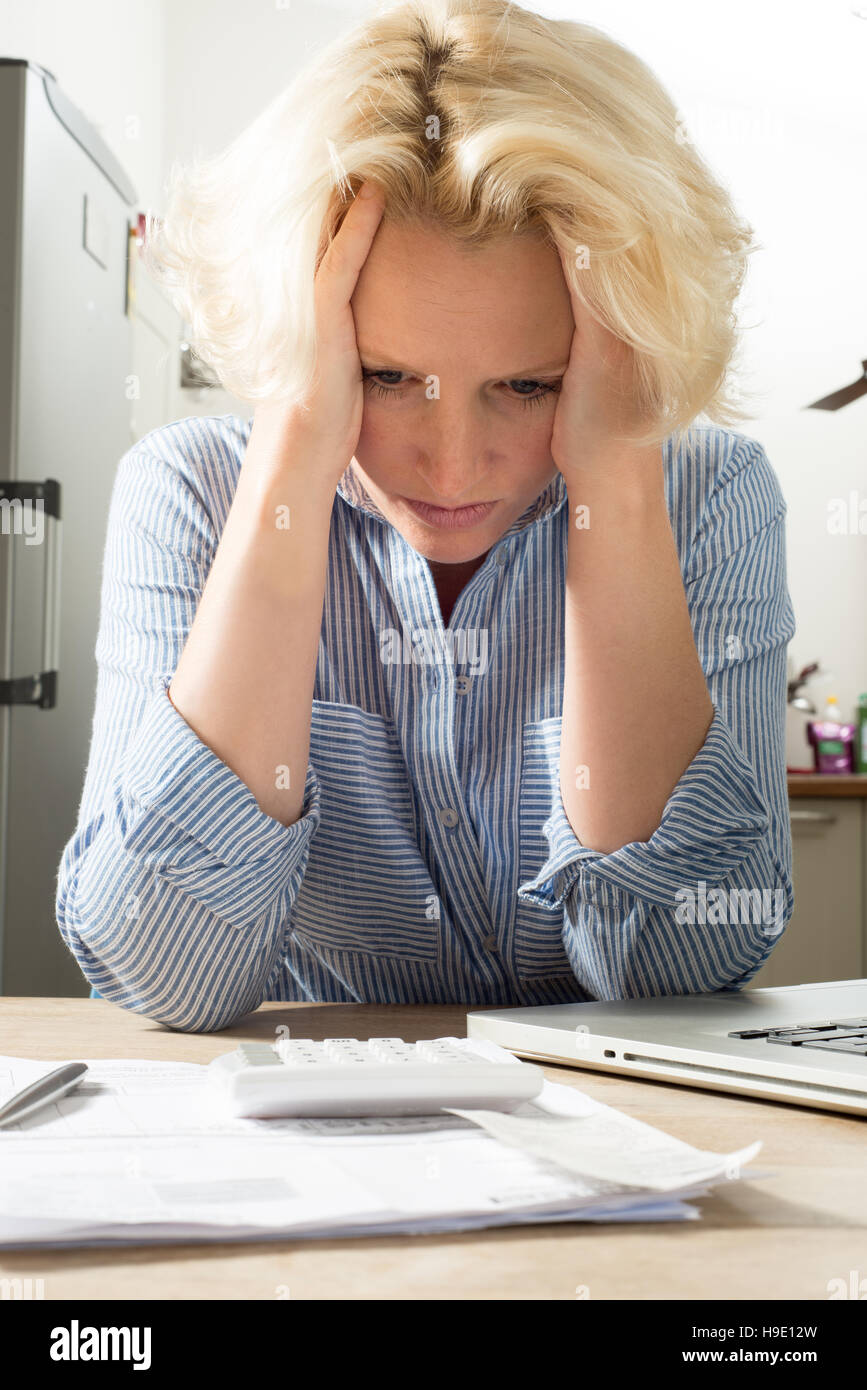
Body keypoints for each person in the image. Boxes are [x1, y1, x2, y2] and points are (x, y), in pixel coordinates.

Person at [56, 0, 796, 1031]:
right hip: (291, 1173)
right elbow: (158, 971)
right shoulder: (189, 493)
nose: (453, 466)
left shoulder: (709, 499)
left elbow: (681, 959)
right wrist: (289, 472)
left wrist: (618, 491)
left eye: (528, 385)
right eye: (388, 374)